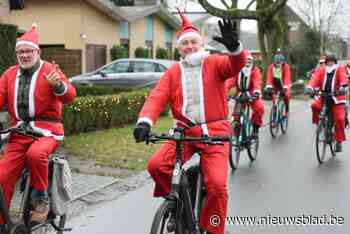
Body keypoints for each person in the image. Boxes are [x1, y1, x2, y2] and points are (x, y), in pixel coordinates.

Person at [133, 12, 247, 234]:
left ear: (201, 43)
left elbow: (235, 65)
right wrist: (145, 122)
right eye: (184, 43)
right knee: (156, 165)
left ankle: (213, 229)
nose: (190, 46)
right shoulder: (173, 72)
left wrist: (234, 48)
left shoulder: (214, 63)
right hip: (183, 133)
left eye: (193, 41)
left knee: (217, 185)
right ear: (179, 48)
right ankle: (179, 203)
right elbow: (157, 97)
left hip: (215, 135)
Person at [0, 24, 76, 231]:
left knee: (35, 155)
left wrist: (57, 86)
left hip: (47, 132)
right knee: (2, 177)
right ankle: (2, 223)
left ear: (37, 52)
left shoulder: (51, 70)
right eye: (20, 52)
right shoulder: (9, 74)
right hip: (18, 133)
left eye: (28, 51)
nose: (24, 55)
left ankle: (40, 198)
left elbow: (70, 94)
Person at [304, 53, 347, 152]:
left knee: (340, 119)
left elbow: (343, 78)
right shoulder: (322, 70)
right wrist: (309, 88)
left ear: (335, 62)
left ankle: (339, 141)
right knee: (315, 106)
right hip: (324, 96)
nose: (330, 63)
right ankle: (320, 124)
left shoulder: (340, 69)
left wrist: (343, 87)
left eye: (332, 61)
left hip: (337, 97)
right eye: (328, 61)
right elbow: (314, 79)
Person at [225, 54, 264, 137]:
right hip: (240, 94)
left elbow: (257, 81)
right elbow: (230, 81)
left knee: (259, 108)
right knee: (236, 116)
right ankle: (236, 135)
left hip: (252, 94)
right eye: (245, 60)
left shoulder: (255, 70)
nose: (247, 63)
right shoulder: (236, 70)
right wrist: (224, 92)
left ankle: (255, 128)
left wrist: (257, 91)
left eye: (249, 60)